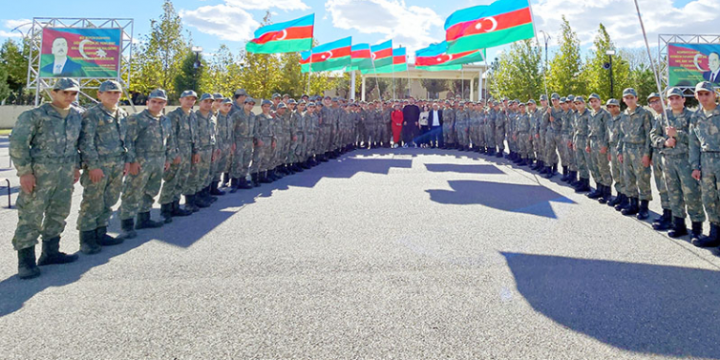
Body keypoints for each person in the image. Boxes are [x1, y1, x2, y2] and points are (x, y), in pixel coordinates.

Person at [10, 78, 82, 279]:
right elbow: (18, 144)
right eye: (65, 92)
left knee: (59, 212)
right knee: (31, 215)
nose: (69, 96)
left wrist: (76, 166)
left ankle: (50, 252)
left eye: (73, 93)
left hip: (65, 174)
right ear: (53, 93)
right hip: (39, 174)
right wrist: (24, 172)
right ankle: (26, 261)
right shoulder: (35, 115)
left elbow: (76, 144)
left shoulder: (76, 116)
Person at [76, 80, 130, 254]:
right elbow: (86, 142)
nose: (113, 96)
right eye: (109, 92)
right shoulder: (92, 114)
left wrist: (127, 160)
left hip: (117, 164)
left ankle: (101, 232)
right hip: (99, 166)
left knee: (109, 200)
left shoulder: (121, 113)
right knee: (92, 201)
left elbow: (126, 140)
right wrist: (93, 166)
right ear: (99, 95)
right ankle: (87, 239)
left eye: (116, 93)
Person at [117, 89, 173, 240]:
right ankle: (127, 224)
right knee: (133, 191)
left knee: (151, 190)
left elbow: (169, 141)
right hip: (141, 160)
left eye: (160, 102)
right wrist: (132, 161)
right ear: (148, 102)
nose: (157, 105)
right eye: (154, 101)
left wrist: (168, 158)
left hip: (158, 160)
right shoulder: (137, 119)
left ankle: (144, 218)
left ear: (165, 104)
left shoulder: (165, 120)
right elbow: (128, 141)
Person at [650, 87, 705, 240]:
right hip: (669, 160)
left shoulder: (692, 116)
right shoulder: (663, 117)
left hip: (686, 160)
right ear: (667, 101)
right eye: (671, 99)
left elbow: (697, 138)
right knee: (673, 193)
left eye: (677, 98)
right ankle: (678, 225)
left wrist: (677, 135)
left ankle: (696, 227)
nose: (674, 101)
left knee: (691, 194)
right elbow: (653, 135)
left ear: (683, 99)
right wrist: (664, 142)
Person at [689, 81, 720, 247]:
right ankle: (714, 234)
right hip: (705, 161)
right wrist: (695, 166)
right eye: (700, 94)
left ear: (714, 94)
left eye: (706, 93)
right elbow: (693, 143)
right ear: (695, 96)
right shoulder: (695, 116)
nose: (703, 97)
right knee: (709, 198)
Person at [616, 88, 653, 220]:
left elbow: (649, 135)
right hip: (627, 149)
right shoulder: (623, 115)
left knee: (643, 178)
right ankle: (633, 204)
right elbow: (621, 135)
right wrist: (619, 150)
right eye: (626, 98)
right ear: (624, 100)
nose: (629, 100)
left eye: (632, 97)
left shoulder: (645, 113)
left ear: (636, 98)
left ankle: (644, 207)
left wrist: (647, 154)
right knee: (628, 178)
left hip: (640, 149)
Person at [159, 90, 197, 217]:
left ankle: (175, 206)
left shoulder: (192, 115)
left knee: (182, 179)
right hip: (177, 152)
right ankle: (165, 209)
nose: (189, 101)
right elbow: (171, 136)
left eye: (192, 99)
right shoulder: (174, 115)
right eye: (187, 98)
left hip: (188, 151)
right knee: (171, 180)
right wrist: (174, 154)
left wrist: (195, 151)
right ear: (180, 100)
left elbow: (194, 136)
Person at [646, 93, 672, 230]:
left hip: (668, 157)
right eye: (652, 102)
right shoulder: (656, 118)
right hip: (657, 156)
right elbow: (651, 138)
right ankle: (666, 213)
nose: (655, 104)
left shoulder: (670, 116)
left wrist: (663, 141)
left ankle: (674, 216)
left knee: (670, 188)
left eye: (658, 101)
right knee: (661, 187)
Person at [586, 94, 612, 203]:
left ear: (600, 101)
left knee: (603, 168)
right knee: (594, 167)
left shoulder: (604, 114)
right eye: (591, 101)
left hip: (601, 144)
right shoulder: (591, 114)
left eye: (595, 101)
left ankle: (607, 192)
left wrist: (606, 145)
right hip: (592, 143)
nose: (593, 103)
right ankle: (599, 189)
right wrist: (588, 144)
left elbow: (608, 131)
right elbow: (589, 130)